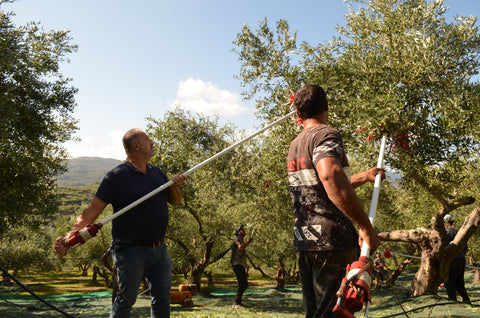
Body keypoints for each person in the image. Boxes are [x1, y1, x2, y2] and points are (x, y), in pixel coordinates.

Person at [53, 128, 188, 318]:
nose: (153, 143)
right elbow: (92, 210)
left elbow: (174, 201)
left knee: (162, 298)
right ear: (136, 145)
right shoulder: (116, 176)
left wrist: (174, 186)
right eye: (148, 140)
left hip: (160, 249)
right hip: (129, 252)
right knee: (125, 302)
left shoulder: (157, 172)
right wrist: (69, 237)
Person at [287, 84, 383, 318]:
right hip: (332, 241)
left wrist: (364, 177)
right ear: (326, 106)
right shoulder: (325, 134)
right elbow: (330, 176)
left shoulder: (296, 144)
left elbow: (319, 185)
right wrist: (365, 226)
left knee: (316, 314)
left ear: (298, 114)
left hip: (305, 241)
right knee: (334, 314)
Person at [443, 214, 471, 304]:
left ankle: (453, 303)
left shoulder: (444, 233)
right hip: (461, 260)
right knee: (459, 283)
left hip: (452, 260)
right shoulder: (459, 232)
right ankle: (466, 301)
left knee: (449, 282)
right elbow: (465, 249)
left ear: (445, 222)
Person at [230, 224, 253, 308]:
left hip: (240, 264)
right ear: (238, 232)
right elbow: (240, 248)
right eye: (242, 230)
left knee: (243, 284)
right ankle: (236, 303)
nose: (244, 231)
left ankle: (238, 302)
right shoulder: (237, 238)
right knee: (243, 284)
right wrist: (249, 242)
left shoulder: (240, 239)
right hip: (237, 264)